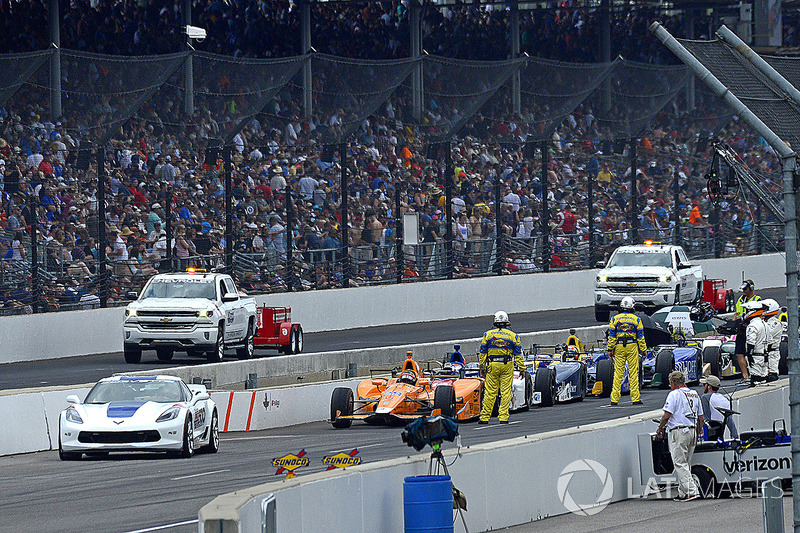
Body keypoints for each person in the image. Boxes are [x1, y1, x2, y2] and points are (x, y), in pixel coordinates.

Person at [656, 370, 703, 501]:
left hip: (679, 430)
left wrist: (660, 428)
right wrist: (698, 431)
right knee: (686, 463)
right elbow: (701, 417)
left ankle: (692, 490)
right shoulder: (694, 394)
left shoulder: (674, 394)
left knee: (679, 463)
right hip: (693, 430)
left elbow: (667, 415)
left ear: (673, 382)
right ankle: (683, 492)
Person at [478, 310, 524, 424]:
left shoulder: (487, 335)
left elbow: (482, 353)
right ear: (507, 322)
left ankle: (484, 417)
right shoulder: (514, 336)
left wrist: (482, 367)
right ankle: (503, 417)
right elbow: (518, 355)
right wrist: (522, 369)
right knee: (505, 392)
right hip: (507, 365)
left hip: (492, 365)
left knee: (490, 392)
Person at [607, 296, 646, 406]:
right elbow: (640, 337)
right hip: (632, 346)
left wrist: (610, 349)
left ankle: (614, 399)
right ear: (632, 307)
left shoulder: (614, 319)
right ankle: (635, 398)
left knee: (618, 373)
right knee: (633, 373)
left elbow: (611, 336)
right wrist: (643, 350)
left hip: (619, 347)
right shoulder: (636, 319)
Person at [734, 280, 760, 382]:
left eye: (746, 288)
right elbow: (736, 313)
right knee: (739, 353)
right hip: (741, 329)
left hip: (752, 329)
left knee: (752, 352)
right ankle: (745, 376)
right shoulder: (740, 299)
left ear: (751, 288)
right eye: (743, 288)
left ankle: (754, 373)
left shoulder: (757, 299)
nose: (744, 290)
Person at [700, 375, 738, 440]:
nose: (703, 387)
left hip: (710, 432)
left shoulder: (705, 397)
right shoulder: (725, 398)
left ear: (709, 387)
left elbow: (705, 418)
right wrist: (736, 436)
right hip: (720, 432)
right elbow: (729, 420)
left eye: (704, 384)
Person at [743, 300, 768, 386]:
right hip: (765, 356)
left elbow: (751, 343)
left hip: (755, 357)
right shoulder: (765, 324)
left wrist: (749, 356)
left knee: (755, 382)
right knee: (764, 381)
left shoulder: (752, 326)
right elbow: (770, 341)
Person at [761, 299, 782, 382]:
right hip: (764, 352)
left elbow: (766, 335)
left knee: (772, 376)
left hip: (772, 352)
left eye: (765, 308)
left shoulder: (775, 323)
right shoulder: (762, 322)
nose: (763, 310)